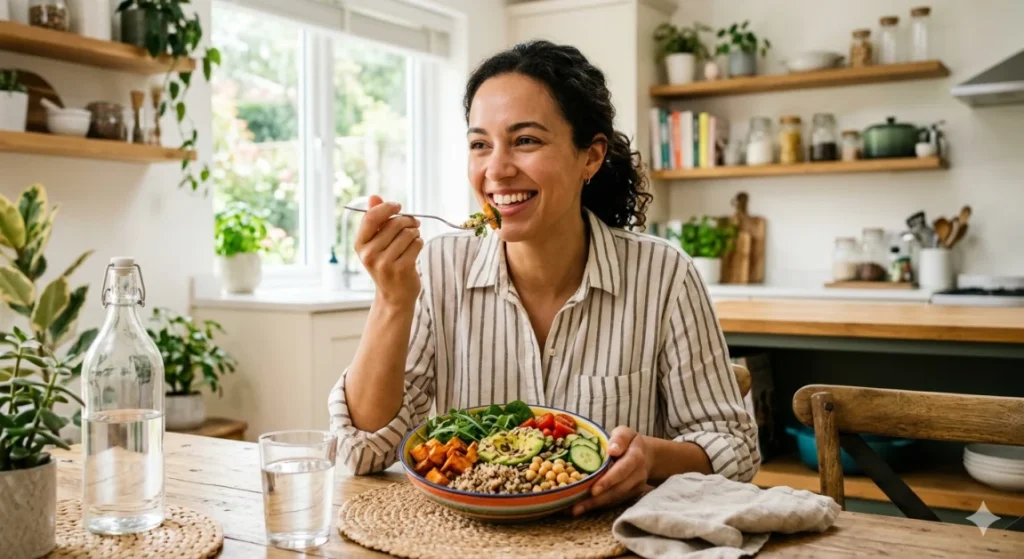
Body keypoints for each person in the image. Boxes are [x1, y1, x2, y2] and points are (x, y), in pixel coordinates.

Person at [329, 40, 759, 516]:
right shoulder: (438, 267)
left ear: (590, 157)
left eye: (526, 140)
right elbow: (361, 452)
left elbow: (733, 446)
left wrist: (653, 458)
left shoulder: (663, 275)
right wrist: (391, 299)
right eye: (480, 145)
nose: (496, 169)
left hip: (609, 539)